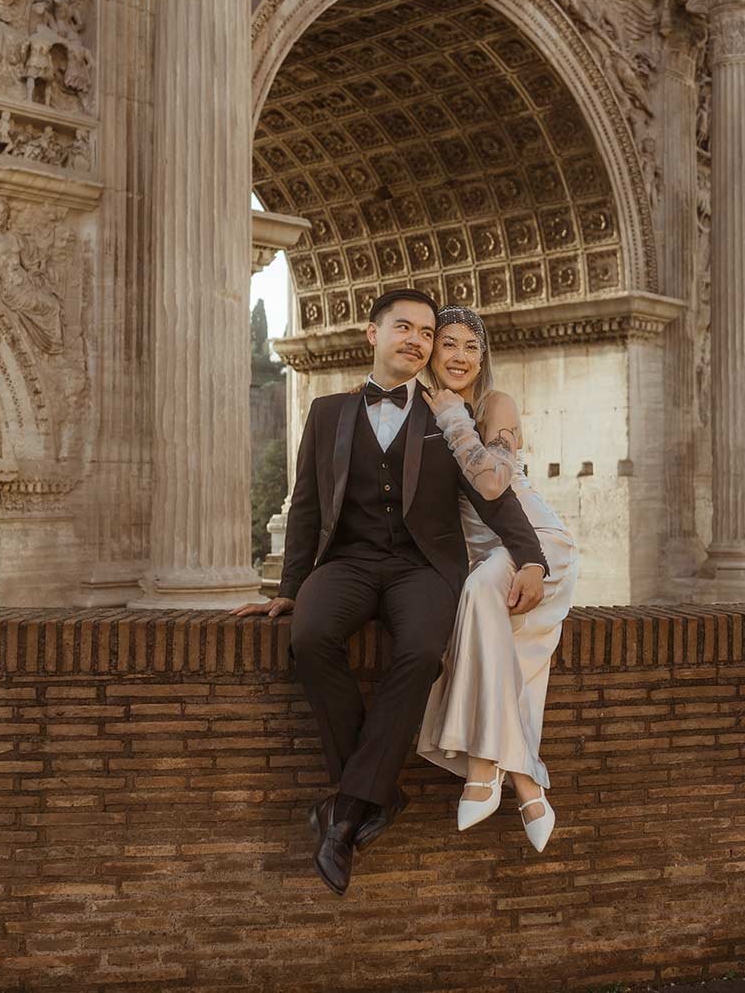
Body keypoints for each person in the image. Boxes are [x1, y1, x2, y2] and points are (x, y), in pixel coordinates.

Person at [232, 289, 548, 897]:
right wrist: (291, 588)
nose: (417, 341)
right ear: (371, 334)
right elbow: (305, 506)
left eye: (426, 333)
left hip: (422, 567)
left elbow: (493, 495)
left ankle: (345, 812)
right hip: (346, 561)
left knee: (422, 651)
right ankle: (373, 793)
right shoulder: (327, 412)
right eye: (404, 328)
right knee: (311, 635)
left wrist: (530, 558)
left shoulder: (448, 416)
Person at [414, 306, 579, 852]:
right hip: (482, 561)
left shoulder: (493, 406)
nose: (459, 356)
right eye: (449, 344)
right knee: (488, 625)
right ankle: (528, 782)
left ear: (483, 357)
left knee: (481, 589)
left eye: (470, 347)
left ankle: (485, 768)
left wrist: (456, 419)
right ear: (431, 351)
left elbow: (491, 483)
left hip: (536, 545)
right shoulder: (413, 410)